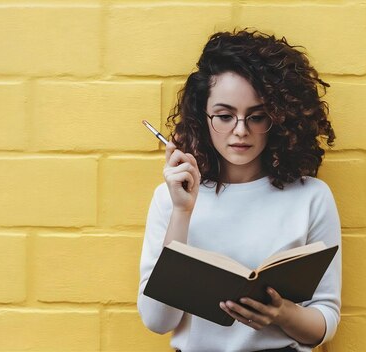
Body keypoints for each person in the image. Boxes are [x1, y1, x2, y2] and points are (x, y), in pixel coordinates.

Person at [138, 29, 342, 352]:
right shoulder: (171, 198)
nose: (240, 131)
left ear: (278, 118)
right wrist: (182, 211)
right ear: (203, 117)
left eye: (257, 117)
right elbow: (156, 320)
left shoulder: (312, 197)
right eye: (224, 116)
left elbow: (325, 320)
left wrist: (282, 313)